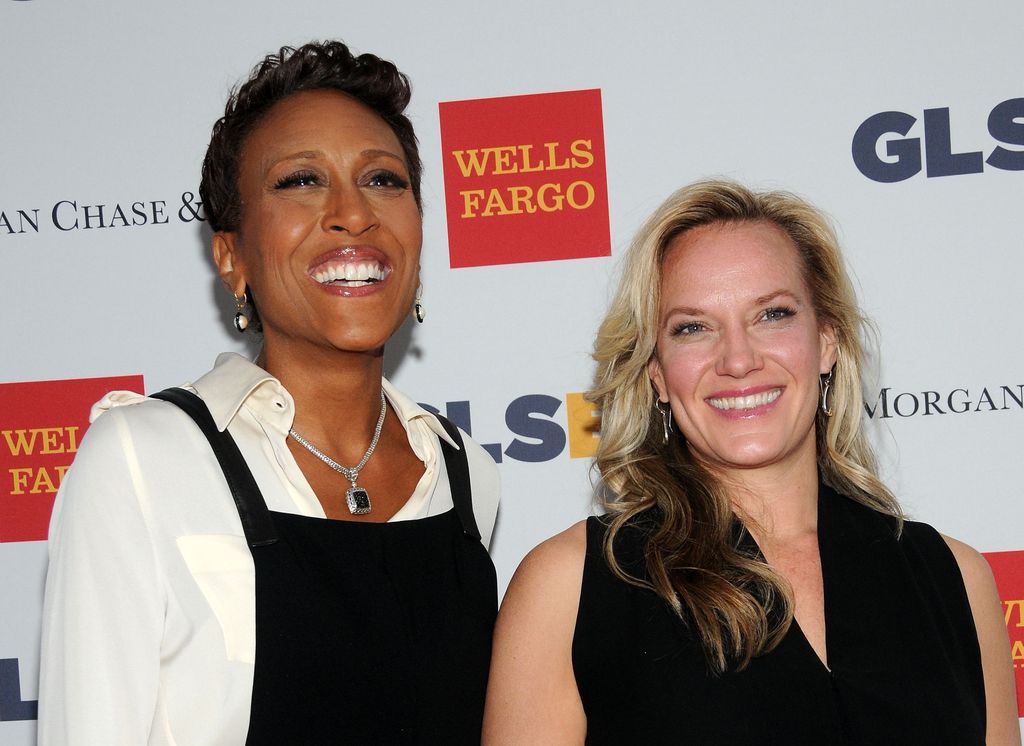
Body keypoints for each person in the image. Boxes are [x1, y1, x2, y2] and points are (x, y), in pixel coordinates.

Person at [39, 41, 500, 745]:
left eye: (383, 179)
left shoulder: (467, 474)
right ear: (232, 258)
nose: (352, 213)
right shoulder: (142, 460)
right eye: (300, 181)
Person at [482, 180, 1019, 745]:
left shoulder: (954, 579)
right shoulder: (571, 587)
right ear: (657, 374)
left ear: (828, 340)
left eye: (773, 314)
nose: (738, 359)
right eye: (692, 328)